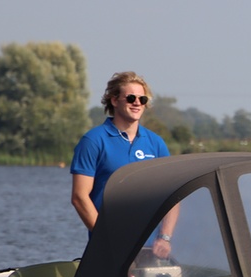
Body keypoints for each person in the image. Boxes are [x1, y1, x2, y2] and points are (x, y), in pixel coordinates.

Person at [70, 71, 176, 258]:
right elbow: (80, 197)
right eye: (130, 98)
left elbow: (172, 197)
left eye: (142, 99)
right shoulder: (93, 140)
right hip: (109, 250)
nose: (137, 103)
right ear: (114, 100)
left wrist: (165, 237)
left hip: (151, 249)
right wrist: (107, 240)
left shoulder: (156, 143)